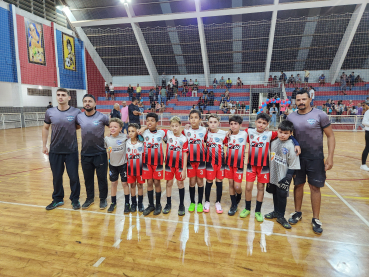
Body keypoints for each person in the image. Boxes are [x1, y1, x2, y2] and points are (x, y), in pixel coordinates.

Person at [287, 90, 335, 234]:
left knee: (315, 187)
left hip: (316, 158)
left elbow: (330, 136)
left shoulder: (320, 115)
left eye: (304, 99)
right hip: (297, 158)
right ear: (295, 101)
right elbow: (286, 136)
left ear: (310, 99)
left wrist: (330, 157)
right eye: (298, 99)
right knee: (298, 185)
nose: (301, 102)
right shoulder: (290, 117)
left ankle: (315, 218)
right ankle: (297, 212)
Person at [43, 88, 81, 210]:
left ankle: (75, 199)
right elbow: (45, 128)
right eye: (58, 95)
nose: (60, 97)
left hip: (71, 150)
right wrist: (44, 145)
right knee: (57, 177)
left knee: (74, 177)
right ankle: (57, 199)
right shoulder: (50, 112)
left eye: (63, 95)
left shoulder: (76, 112)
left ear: (69, 97)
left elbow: (78, 126)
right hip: (55, 150)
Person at [265, 120, 301, 229]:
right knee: (275, 193)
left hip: (284, 176)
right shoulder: (274, 142)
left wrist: (287, 179)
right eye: (281, 132)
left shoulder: (292, 146)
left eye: (286, 133)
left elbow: (293, 164)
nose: (283, 135)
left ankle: (281, 216)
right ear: (277, 131)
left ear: (291, 133)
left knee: (282, 195)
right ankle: (276, 212)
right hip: (273, 174)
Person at [76, 94, 110, 210]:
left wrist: (109, 138)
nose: (87, 103)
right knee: (87, 178)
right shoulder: (79, 117)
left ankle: (103, 199)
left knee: (102, 178)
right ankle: (89, 198)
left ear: (95, 104)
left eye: (90, 101)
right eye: (85, 101)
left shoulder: (102, 117)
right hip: (85, 153)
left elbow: (114, 126)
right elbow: (75, 126)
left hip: (100, 153)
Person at [138, 113, 168, 216]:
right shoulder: (144, 133)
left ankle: (158, 204)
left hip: (158, 162)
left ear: (157, 122)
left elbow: (171, 139)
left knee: (157, 183)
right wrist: (144, 128)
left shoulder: (162, 133)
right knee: (149, 183)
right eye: (148, 120)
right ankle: (151, 205)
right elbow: (136, 134)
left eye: (152, 120)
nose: (150, 122)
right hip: (147, 163)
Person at [163, 116, 188, 215]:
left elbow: (185, 154)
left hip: (180, 166)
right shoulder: (168, 134)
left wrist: (184, 170)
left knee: (180, 184)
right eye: (172, 126)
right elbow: (155, 129)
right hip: (169, 165)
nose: (174, 128)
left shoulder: (184, 139)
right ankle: (168, 204)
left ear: (180, 125)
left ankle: (181, 205)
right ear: (170, 126)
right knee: (169, 184)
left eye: (176, 126)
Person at [183, 110, 207, 212]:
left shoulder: (204, 130)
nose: (193, 119)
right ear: (189, 119)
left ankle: (200, 203)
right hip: (190, 161)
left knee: (200, 182)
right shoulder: (185, 131)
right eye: (191, 117)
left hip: (201, 160)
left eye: (196, 117)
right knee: (192, 182)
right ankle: (192, 202)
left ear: (200, 119)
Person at [203, 114, 227, 214]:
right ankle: (207, 201)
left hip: (220, 162)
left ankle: (218, 202)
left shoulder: (224, 134)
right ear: (208, 123)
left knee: (219, 181)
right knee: (209, 181)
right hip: (209, 162)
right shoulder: (205, 133)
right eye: (211, 122)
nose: (213, 124)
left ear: (218, 123)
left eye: (215, 122)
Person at [104, 118, 129, 213]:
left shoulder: (125, 137)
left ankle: (127, 204)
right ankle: (113, 203)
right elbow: (105, 148)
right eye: (111, 127)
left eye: (115, 127)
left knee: (124, 184)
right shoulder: (107, 139)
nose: (112, 128)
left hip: (123, 165)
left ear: (120, 128)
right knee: (113, 183)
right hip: (112, 165)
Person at [126, 123, 146, 211]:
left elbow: (147, 130)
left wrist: (142, 129)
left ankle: (140, 203)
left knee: (140, 185)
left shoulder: (141, 142)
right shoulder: (126, 142)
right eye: (129, 131)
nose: (130, 133)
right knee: (132, 185)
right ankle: (133, 203)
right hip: (130, 169)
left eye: (133, 131)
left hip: (140, 169)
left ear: (137, 132)